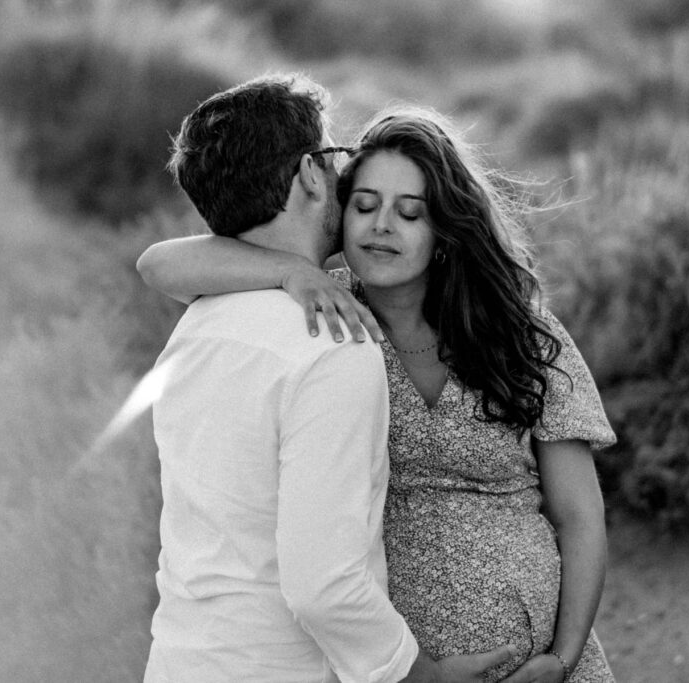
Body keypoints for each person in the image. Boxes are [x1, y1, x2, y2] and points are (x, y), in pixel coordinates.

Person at [139, 105, 618, 683]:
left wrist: (561, 661)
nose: (382, 226)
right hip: (404, 671)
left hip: (542, 667)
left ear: (443, 230)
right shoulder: (329, 318)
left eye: (409, 213)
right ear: (339, 212)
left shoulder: (519, 333)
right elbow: (160, 263)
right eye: (364, 205)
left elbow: (580, 516)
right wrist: (293, 272)